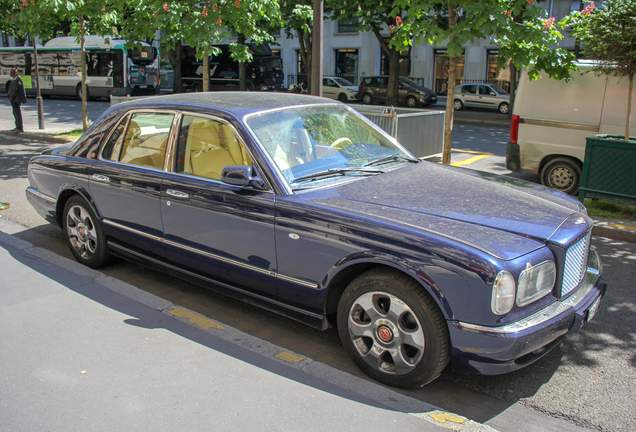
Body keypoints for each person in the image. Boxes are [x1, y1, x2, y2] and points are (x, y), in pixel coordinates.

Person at [8, 68, 27, 132]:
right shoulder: (17, 80)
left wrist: (11, 97)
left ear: (12, 74)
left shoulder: (17, 80)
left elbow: (14, 90)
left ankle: (19, 128)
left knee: (17, 113)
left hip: (15, 100)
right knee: (15, 113)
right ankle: (18, 126)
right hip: (15, 99)